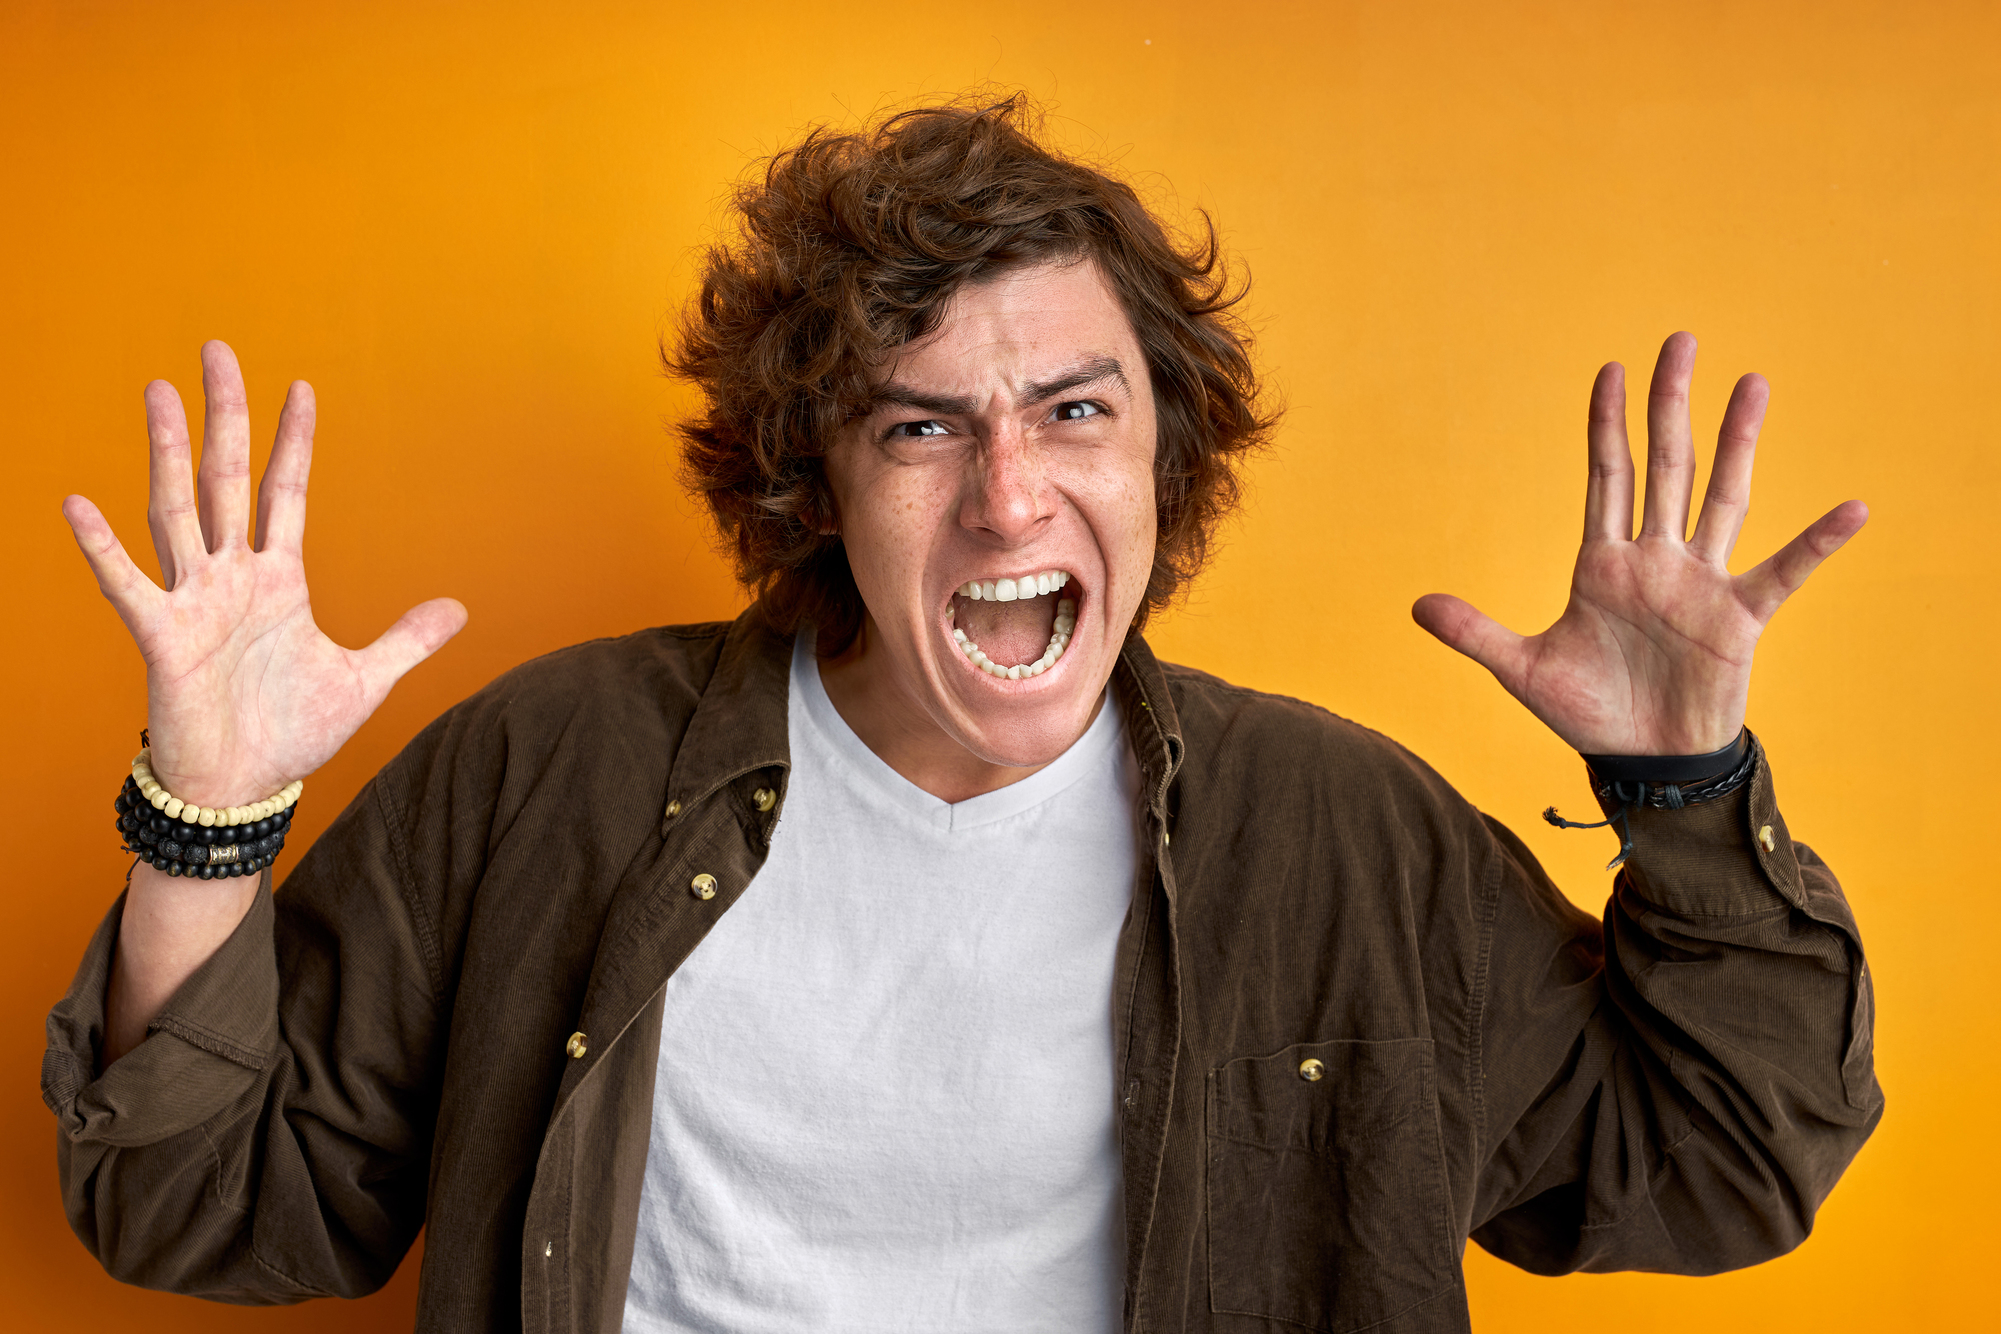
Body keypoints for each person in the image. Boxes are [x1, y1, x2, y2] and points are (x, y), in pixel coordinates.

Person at [45, 97, 1881, 1334]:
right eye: (920, 425)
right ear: (813, 483)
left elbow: (1722, 1159)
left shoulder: (1337, 834)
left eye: (1074, 412)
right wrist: (204, 817)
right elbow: (201, 1200)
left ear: (1167, 450)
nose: (1008, 497)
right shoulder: (565, 766)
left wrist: (1681, 786)